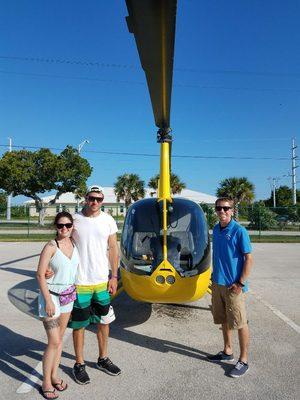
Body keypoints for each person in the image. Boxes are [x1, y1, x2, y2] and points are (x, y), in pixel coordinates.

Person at [68, 185, 120, 385]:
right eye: (91, 198)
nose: (95, 202)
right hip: (80, 281)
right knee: (79, 325)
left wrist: (114, 276)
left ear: (103, 200)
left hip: (101, 281)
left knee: (104, 322)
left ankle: (103, 358)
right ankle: (79, 364)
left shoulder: (108, 220)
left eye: (98, 199)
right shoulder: (75, 219)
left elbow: (113, 248)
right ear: (85, 198)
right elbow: (64, 243)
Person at [208, 197, 253, 378]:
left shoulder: (239, 231)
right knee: (224, 320)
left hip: (234, 286)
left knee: (240, 323)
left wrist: (240, 283)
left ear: (232, 210)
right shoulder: (217, 230)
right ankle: (227, 351)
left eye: (226, 208)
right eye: (219, 208)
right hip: (218, 284)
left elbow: (248, 258)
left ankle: (244, 360)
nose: (222, 212)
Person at [37, 211, 79, 399]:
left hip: (67, 298)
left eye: (68, 225)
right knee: (53, 341)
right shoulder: (50, 247)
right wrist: (47, 300)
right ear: (56, 227)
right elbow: (39, 274)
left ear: (72, 226)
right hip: (51, 298)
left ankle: (54, 376)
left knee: (60, 339)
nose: (64, 229)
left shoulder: (74, 243)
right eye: (60, 226)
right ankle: (46, 382)